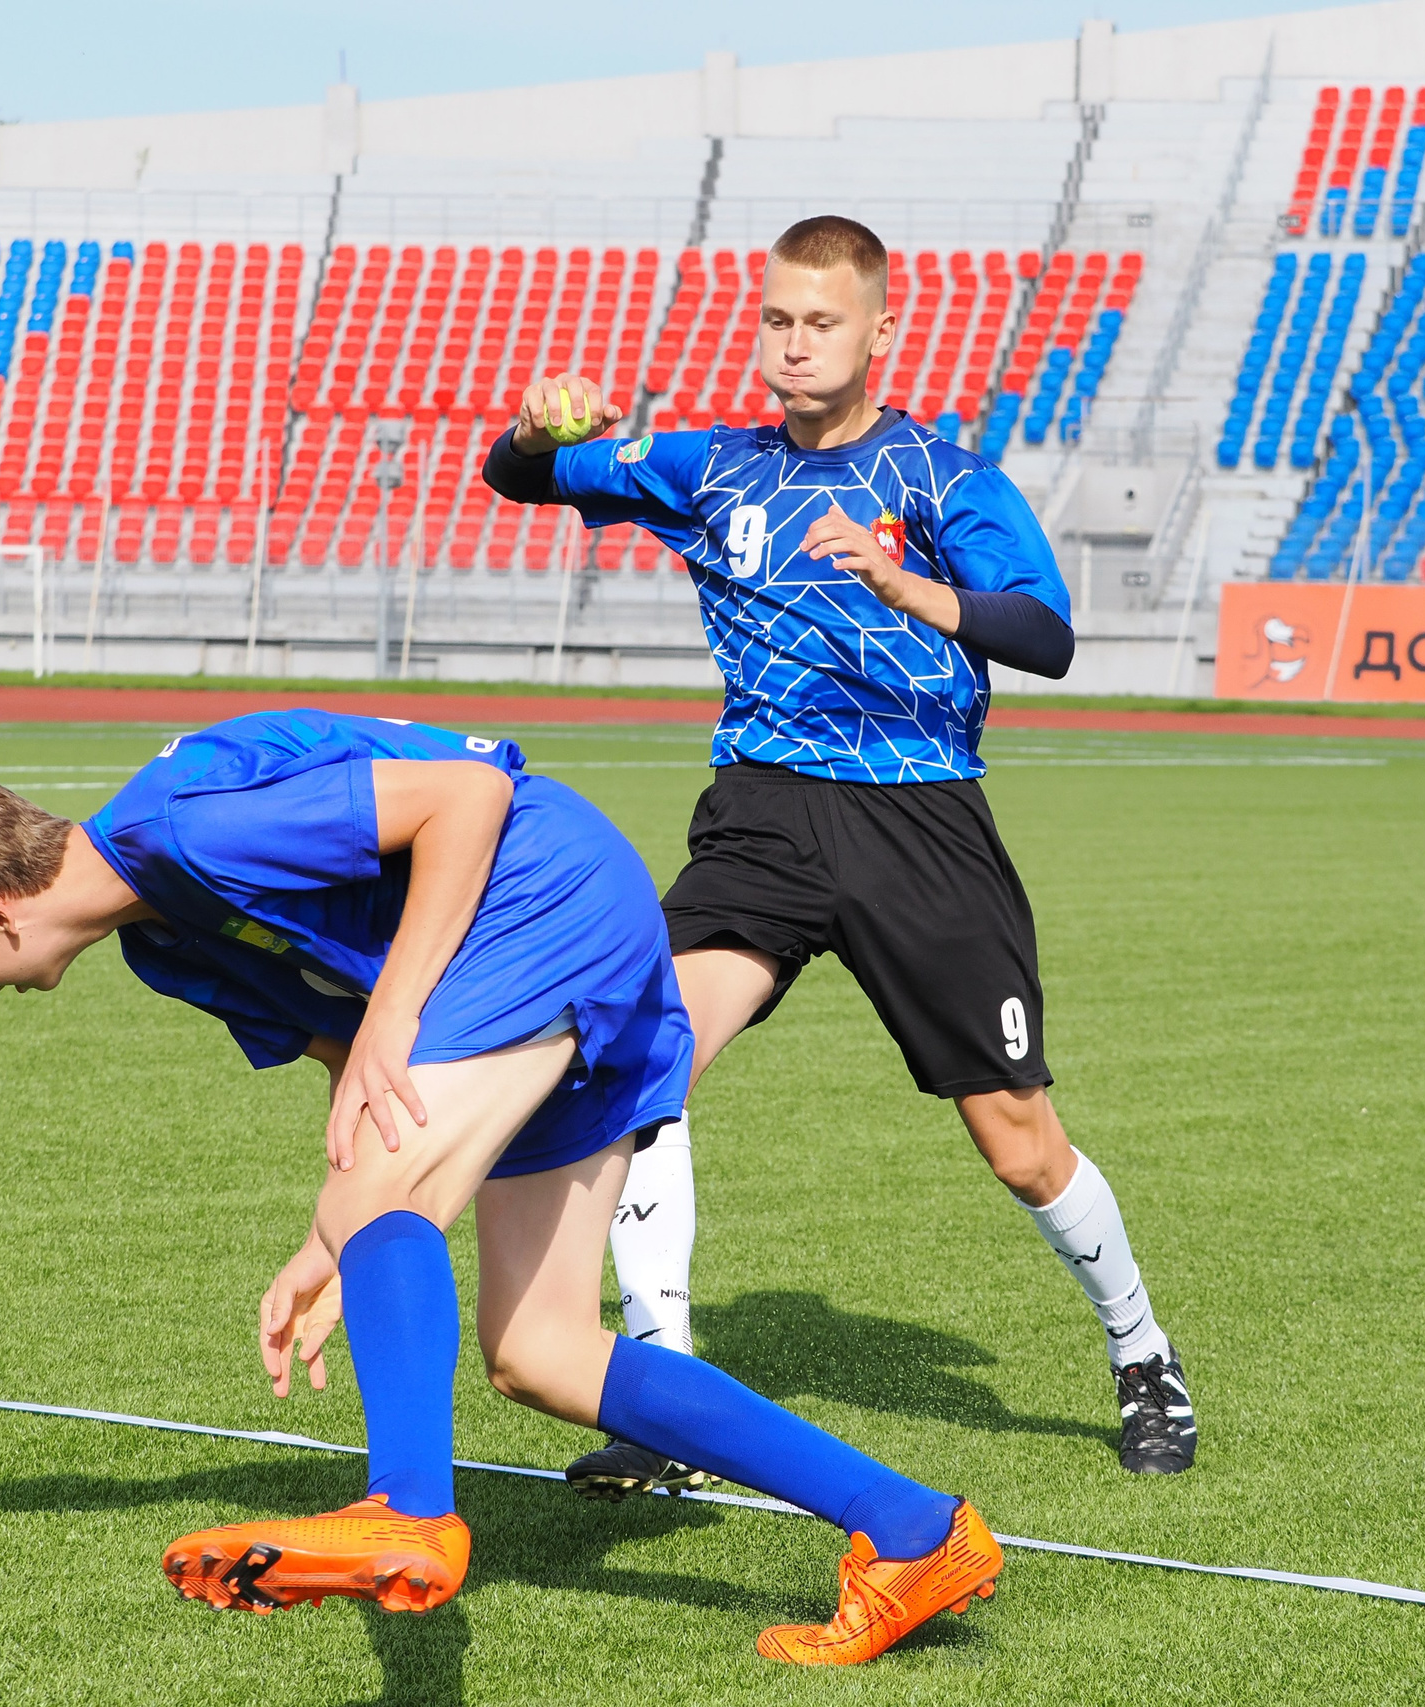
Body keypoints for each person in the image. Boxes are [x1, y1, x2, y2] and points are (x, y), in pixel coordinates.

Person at [0, 709, 1002, 1665]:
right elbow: (358, 1077)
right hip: (504, 958)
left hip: (538, 894)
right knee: (541, 1354)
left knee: (382, 1209)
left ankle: (405, 1508)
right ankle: (911, 1532)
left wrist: (392, 1046)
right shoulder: (163, 943)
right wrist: (325, 1234)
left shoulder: (184, 832)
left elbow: (466, 798)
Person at [481, 214, 1196, 1487]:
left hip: (919, 821)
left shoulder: (940, 479)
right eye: (777, 319)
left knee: (1017, 1139)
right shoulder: (712, 467)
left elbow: (1044, 633)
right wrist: (538, 433)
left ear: (878, 330)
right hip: (761, 815)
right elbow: (520, 480)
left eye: (822, 321)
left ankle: (1142, 1354)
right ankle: (665, 1399)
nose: (795, 344)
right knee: (644, 1061)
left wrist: (921, 593)